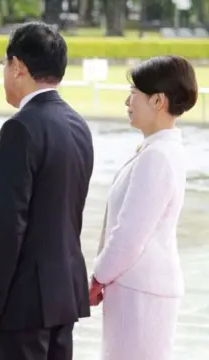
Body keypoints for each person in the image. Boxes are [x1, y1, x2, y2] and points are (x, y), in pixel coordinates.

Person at [0, 21, 94, 359]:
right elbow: (48, 207)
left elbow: (12, 225)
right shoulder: (77, 125)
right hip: (61, 297)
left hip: (21, 303)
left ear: (18, 67)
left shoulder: (21, 128)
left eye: (4, 65)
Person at [89, 55, 198, 360]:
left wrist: (97, 277)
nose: (127, 101)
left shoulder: (158, 155)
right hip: (135, 288)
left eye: (134, 93)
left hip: (140, 291)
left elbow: (129, 234)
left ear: (158, 101)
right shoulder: (158, 149)